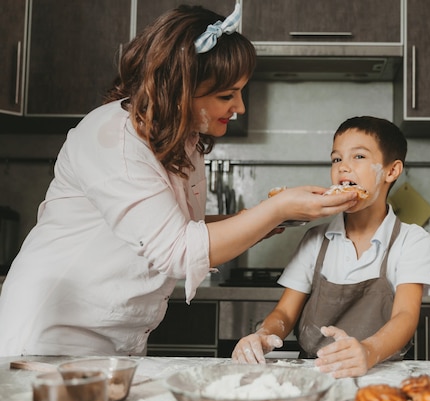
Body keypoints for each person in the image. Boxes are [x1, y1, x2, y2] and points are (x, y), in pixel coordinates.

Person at [0, 5, 357, 357]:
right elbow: (177, 249)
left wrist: (268, 218)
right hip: (52, 335)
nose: (241, 108)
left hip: (114, 337)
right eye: (226, 95)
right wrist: (276, 208)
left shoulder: (183, 142)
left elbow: (183, 228)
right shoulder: (115, 137)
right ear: (180, 88)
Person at [232, 116, 430, 378]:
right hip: (315, 372)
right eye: (336, 159)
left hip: (381, 373)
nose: (343, 168)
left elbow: (406, 316)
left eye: (359, 157)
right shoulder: (316, 240)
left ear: (391, 171)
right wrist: (264, 335)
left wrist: (368, 351)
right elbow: (284, 312)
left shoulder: (411, 240)